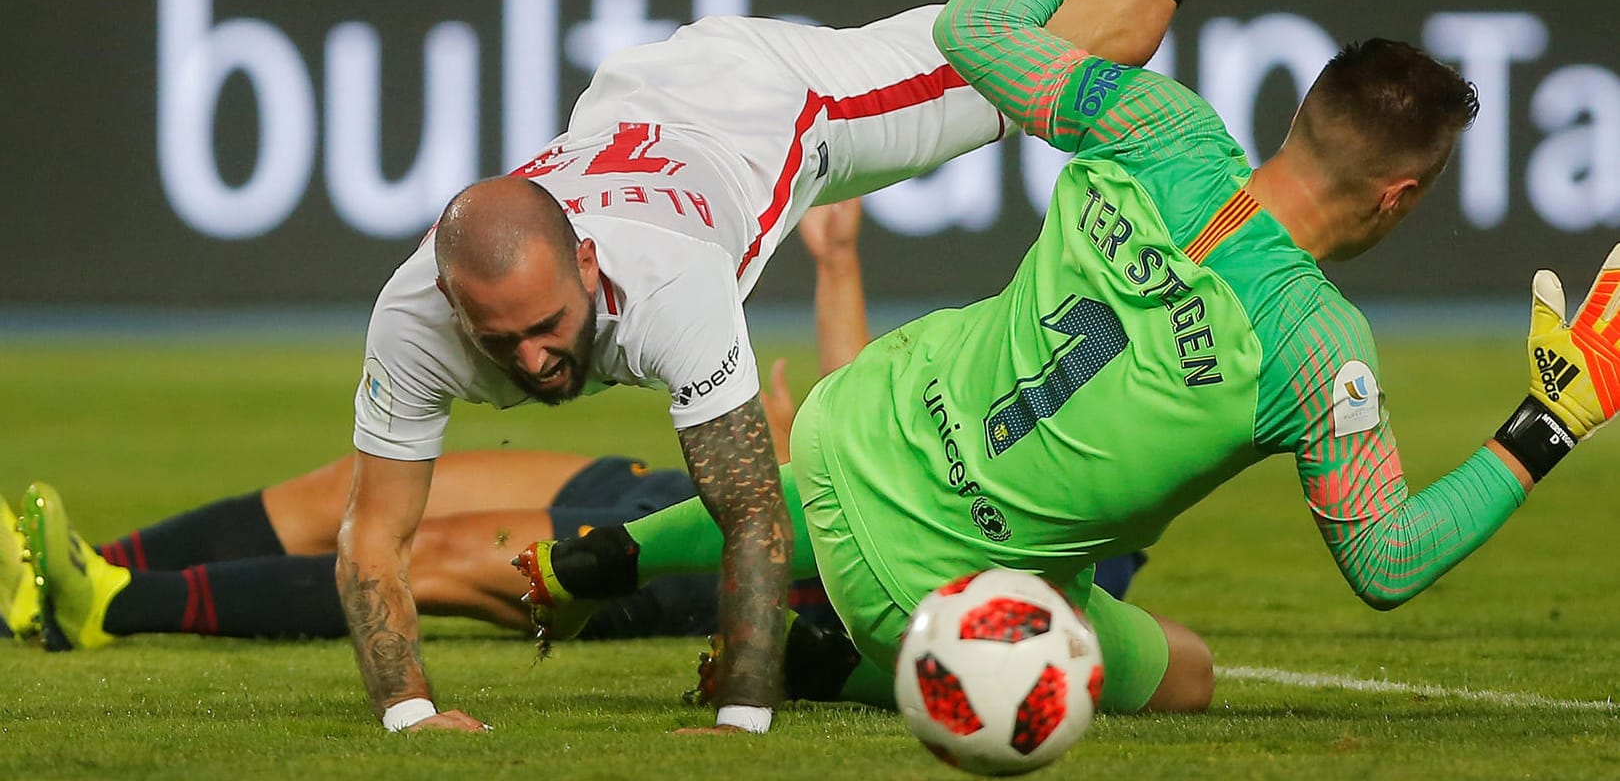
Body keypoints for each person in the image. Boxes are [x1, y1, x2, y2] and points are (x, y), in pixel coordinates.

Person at [23, 0, 1521, 735]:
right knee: (371, 505)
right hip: (656, 117)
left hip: (773, 112)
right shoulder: (440, 306)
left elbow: (757, 503)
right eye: (520, 336)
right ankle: (82, 581)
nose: (537, 355)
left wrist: (738, 706)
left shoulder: (667, 297)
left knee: (1077, 48)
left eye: (548, 329)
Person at [513, 0, 1609, 725]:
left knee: (885, 478)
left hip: (849, 437)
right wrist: (1552, 419)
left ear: (1299, 117)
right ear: (1399, 198)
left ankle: (620, 552)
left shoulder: (1163, 129)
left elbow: (975, 30)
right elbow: (1388, 562)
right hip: (933, 595)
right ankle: (824, 662)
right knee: (1184, 674)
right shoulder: (1319, 351)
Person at [3, 197, 1150, 649]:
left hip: (697, 568)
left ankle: (106, 607)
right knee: (345, 498)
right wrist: (841, 260)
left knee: (437, 559)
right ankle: (73, 568)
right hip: (663, 485)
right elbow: (862, 440)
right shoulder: (1034, 427)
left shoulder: (1041, 541)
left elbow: (858, 531)